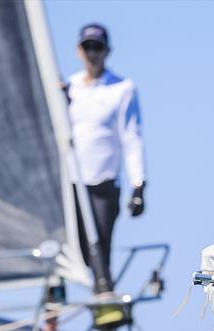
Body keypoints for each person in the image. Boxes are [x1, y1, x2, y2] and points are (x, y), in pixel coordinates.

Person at [66, 23, 146, 294]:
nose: (92, 53)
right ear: (79, 50)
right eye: (88, 47)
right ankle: (49, 326)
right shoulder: (69, 88)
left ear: (107, 51)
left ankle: (106, 325)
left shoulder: (122, 88)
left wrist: (138, 185)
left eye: (97, 47)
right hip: (71, 183)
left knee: (98, 251)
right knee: (62, 250)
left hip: (103, 185)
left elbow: (131, 138)